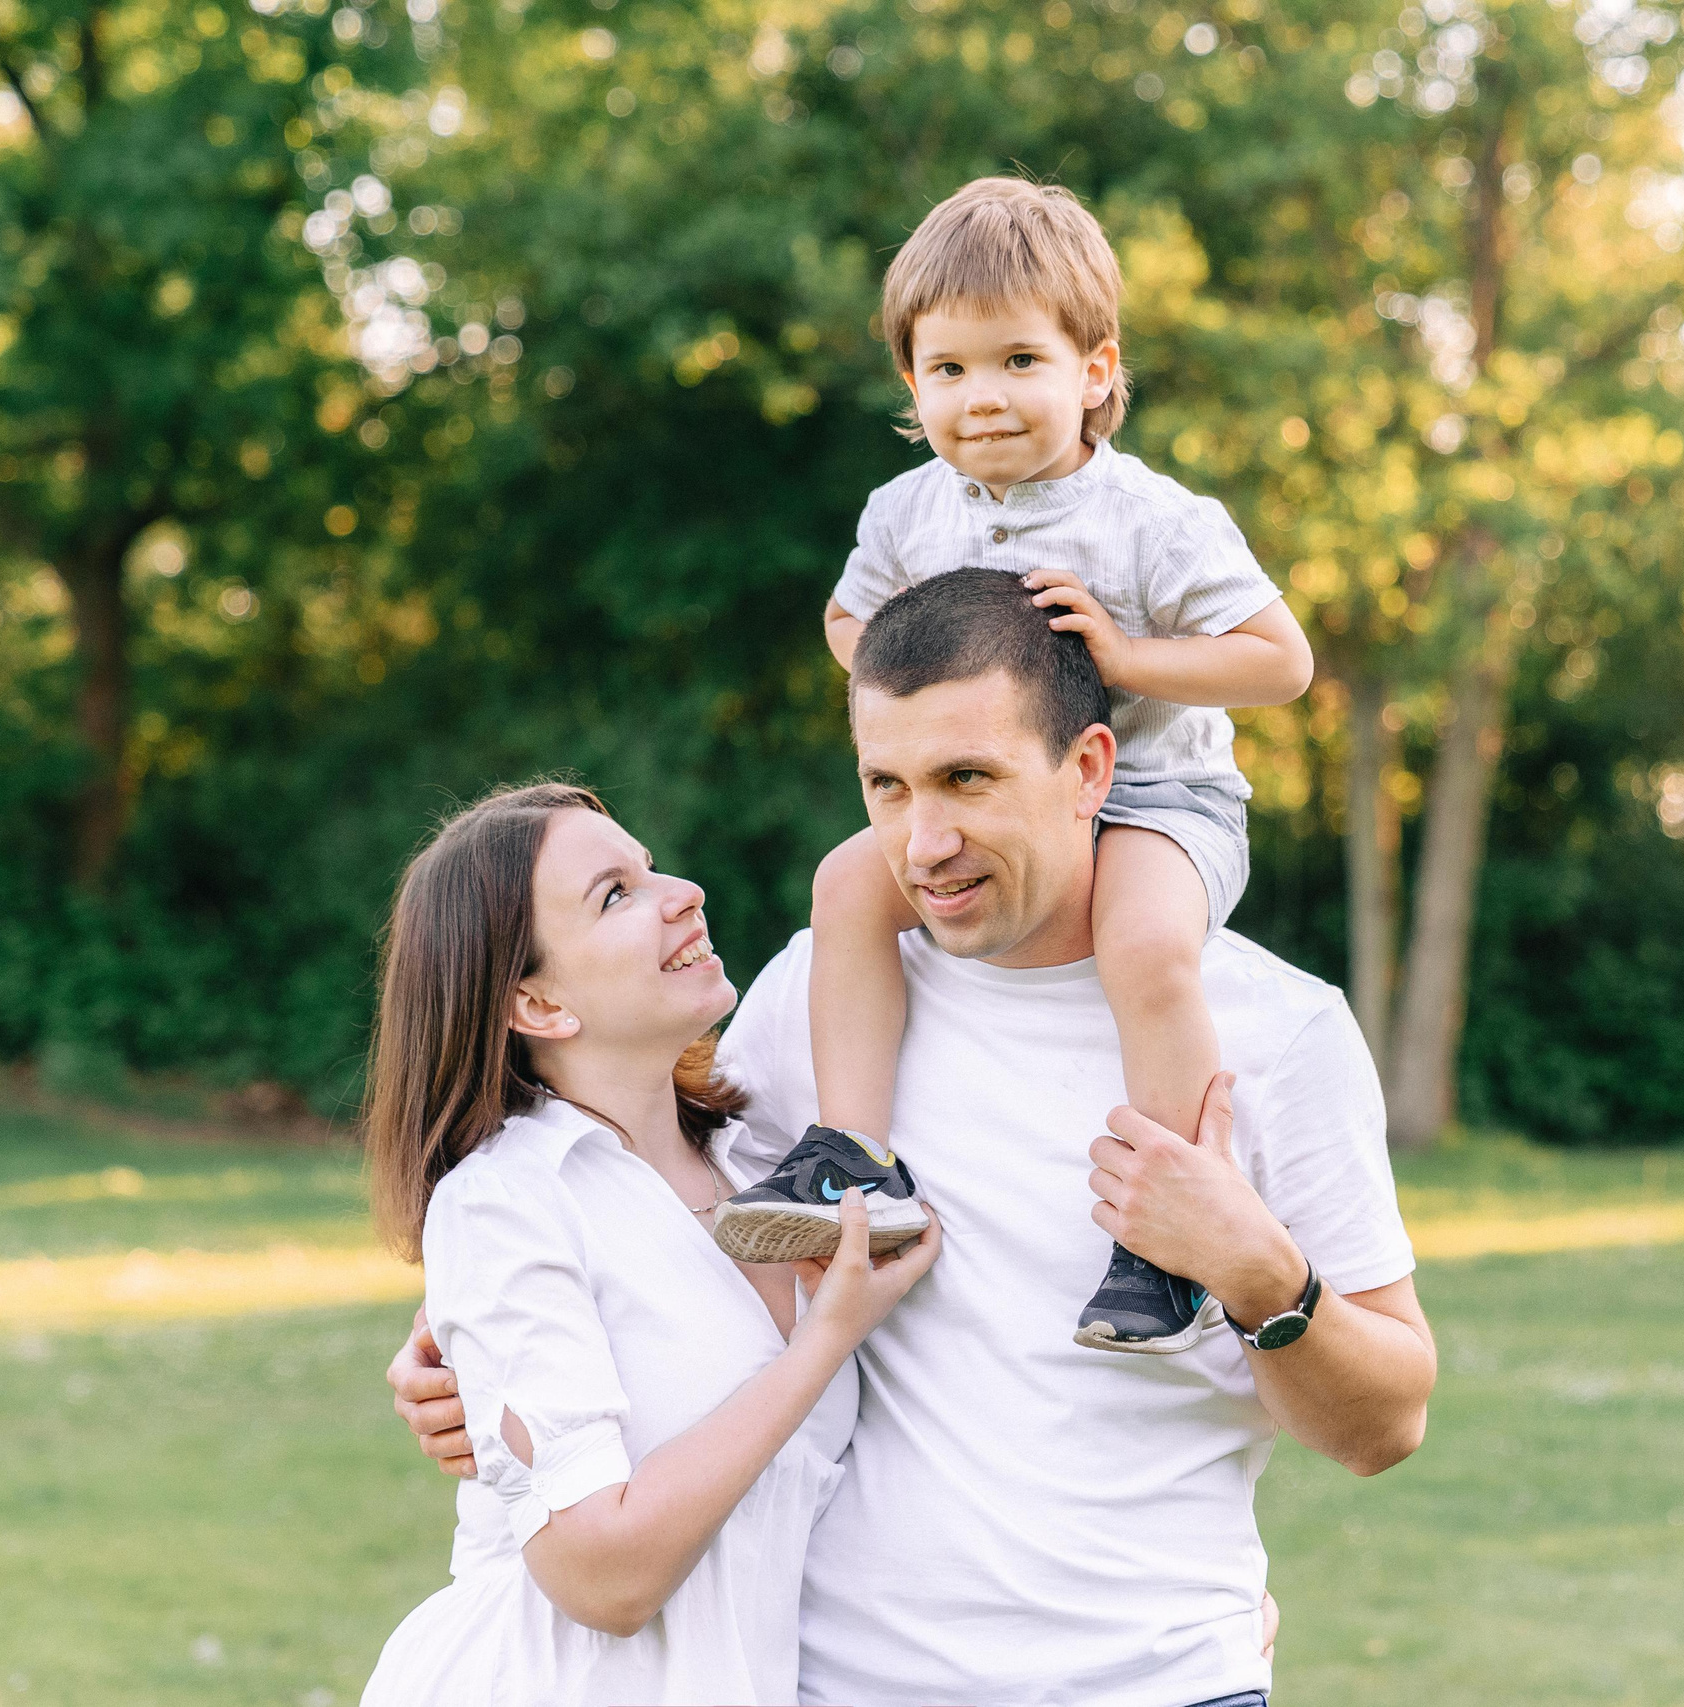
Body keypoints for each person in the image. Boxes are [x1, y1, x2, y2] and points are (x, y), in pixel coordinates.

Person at [392, 572, 1436, 1707]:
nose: (922, 841)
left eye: (966, 780)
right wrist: (454, 1367)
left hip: (1156, 1684)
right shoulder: (819, 1004)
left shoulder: (1276, 1035)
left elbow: (1386, 1422)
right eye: (884, 788)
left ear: (1087, 769)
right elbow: (617, 1205)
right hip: (835, 1686)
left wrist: (1255, 1270)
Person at [707, 178, 1316, 1357]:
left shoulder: (1152, 520)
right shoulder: (905, 514)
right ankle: (855, 1162)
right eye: (948, 370)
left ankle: (1171, 1230)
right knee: (846, 888)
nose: (981, 399)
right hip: (992, 806)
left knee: (1143, 945)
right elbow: (848, 626)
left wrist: (1129, 655)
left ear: (1094, 369)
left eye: (1018, 361)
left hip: (1153, 795)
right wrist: (904, 684)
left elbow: (1278, 662)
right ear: (912, 385)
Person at [356, 781, 940, 1705]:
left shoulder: (767, 1168)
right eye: (615, 894)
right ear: (537, 1003)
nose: (684, 892)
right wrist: (827, 1337)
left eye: (649, 864)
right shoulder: (507, 1198)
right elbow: (602, 1577)